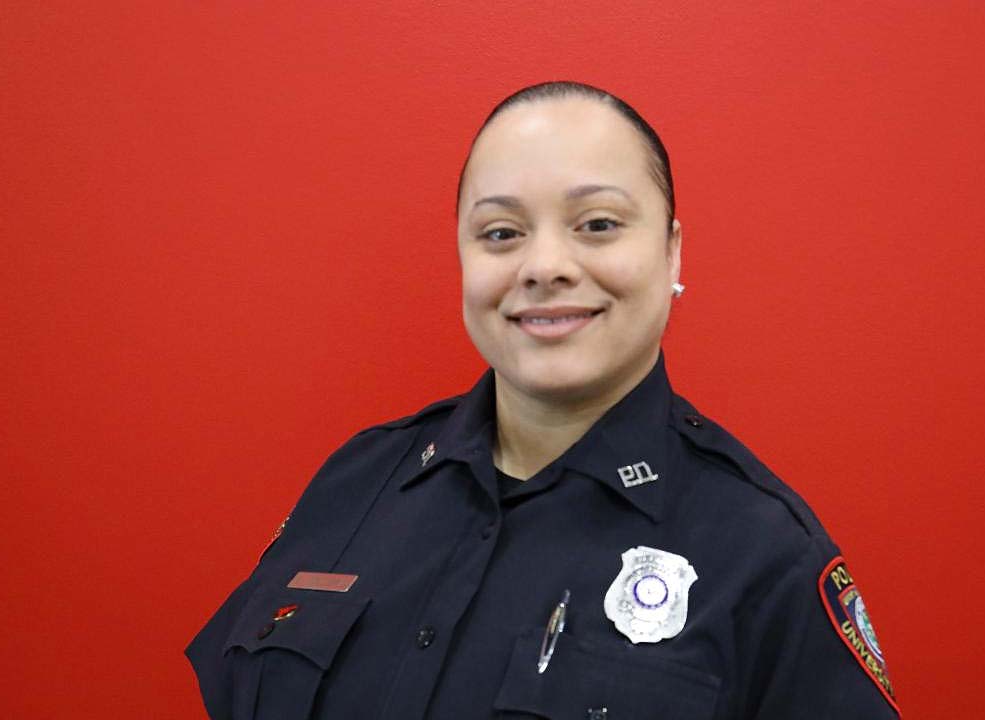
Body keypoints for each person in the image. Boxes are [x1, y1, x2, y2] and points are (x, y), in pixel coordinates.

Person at [186, 81, 901, 719]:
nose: (545, 267)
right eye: (501, 233)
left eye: (597, 225)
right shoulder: (357, 481)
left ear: (673, 253)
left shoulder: (761, 552)